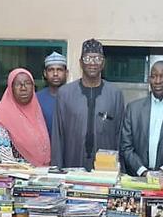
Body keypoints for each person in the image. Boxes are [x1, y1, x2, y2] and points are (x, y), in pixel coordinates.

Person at [51, 39, 125, 170]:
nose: (92, 63)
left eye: (97, 58)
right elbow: (58, 135)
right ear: (80, 63)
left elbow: (120, 137)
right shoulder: (65, 94)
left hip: (105, 171)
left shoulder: (115, 94)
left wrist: (119, 171)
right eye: (87, 59)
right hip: (72, 166)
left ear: (103, 63)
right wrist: (56, 170)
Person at [0, 68, 50, 166]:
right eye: (18, 84)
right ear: (10, 88)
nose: (23, 88)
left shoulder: (36, 111)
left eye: (28, 83)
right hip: (9, 177)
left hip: (39, 176)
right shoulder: (0, 116)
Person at [36, 52, 68, 135]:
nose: (55, 74)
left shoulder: (76, 97)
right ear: (45, 73)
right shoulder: (36, 99)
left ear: (66, 73)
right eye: (51, 70)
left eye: (59, 70)